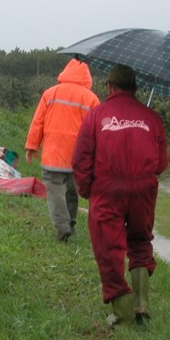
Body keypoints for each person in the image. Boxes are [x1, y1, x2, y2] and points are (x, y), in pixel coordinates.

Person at [72, 64, 168, 326]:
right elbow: (161, 164)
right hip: (144, 191)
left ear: (109, 87)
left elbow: (81, 159)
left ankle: (122, 311)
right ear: (135, 88)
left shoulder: (96, 116)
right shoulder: (152, 118)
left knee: (109, 248)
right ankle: (141, 305)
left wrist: (86, 190)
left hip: (107, 191)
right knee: (140, 242)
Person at [25, 58, 100, 242]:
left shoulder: (50, 93)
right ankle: (71, 223)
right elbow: (96, 130)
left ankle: (62, 227)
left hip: (53, 154)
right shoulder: (91, 98)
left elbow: (38, 123)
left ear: (65, 72)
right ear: (86, 76)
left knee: (55, 190)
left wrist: (31, 147)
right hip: (78, 157)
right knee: (72, 191)